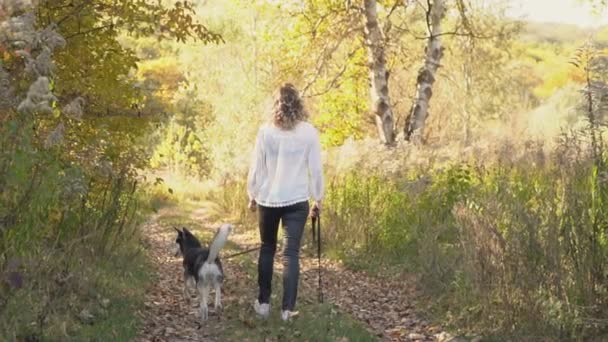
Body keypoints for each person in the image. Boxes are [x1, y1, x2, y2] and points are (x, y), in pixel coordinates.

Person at [247, 83, 324, 322]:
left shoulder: (266, 131)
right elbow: (316, 169)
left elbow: (257, 166)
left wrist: (252, 193)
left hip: (269, 199)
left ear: (276, 105)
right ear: (298, 104)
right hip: (297, 200)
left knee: (267, 248)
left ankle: (263, 303)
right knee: (291, 254)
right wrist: (317, 197)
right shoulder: (309, 132)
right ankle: (287, 310)